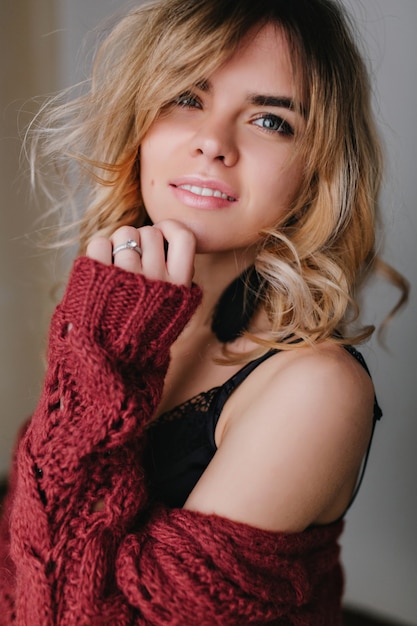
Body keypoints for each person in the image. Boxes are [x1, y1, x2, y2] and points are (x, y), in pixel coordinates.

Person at [0, 0, 408, 624]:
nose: (212, 143)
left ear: (316, 166)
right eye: (187, 96)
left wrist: (106, 354)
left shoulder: (314, 389)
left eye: (270, 121)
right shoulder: (131, 303)